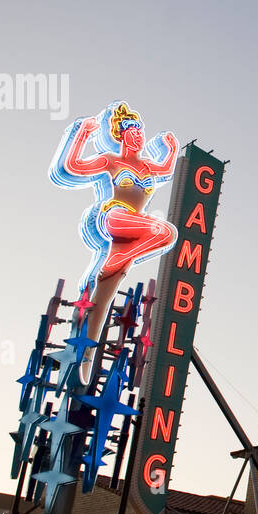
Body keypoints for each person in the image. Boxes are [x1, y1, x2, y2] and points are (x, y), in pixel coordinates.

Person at [50, 102, 179, 346]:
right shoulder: (111, 160)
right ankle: (117, 261)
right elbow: (71, 167)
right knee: (156, 230)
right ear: (123, 135)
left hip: (135, 230)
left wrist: (171, 148)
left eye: (141, 132)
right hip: (113, 217)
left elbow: (166, 168)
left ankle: (85, 354)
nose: (139, 136)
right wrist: (80, 133)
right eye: (134, 131)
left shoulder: (148, 167)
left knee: (165, 232)